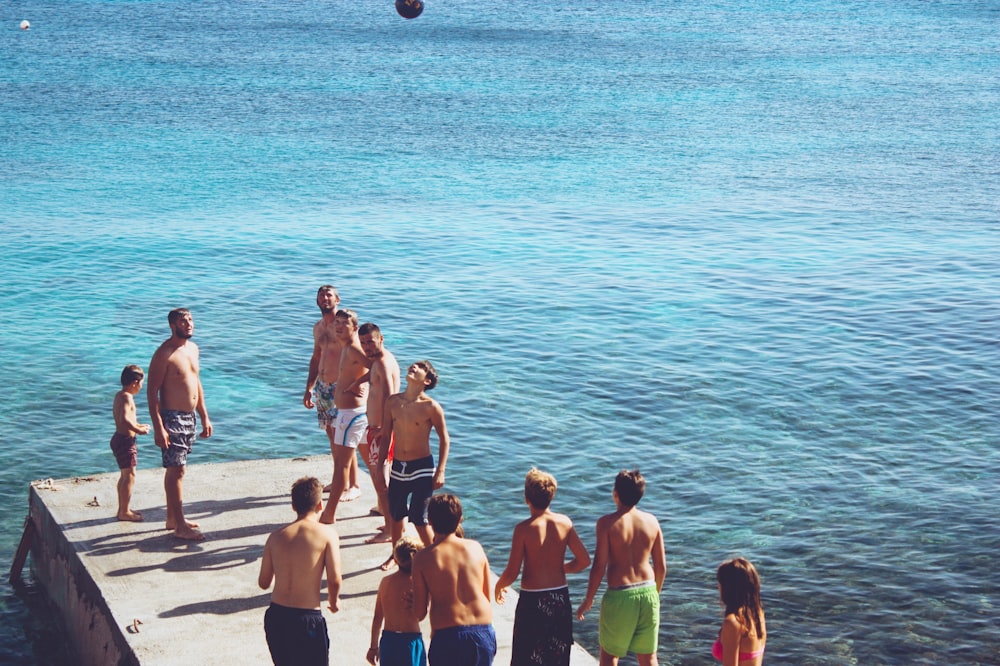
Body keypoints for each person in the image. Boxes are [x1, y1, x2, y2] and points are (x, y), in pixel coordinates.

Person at [494, 468, 591, 666]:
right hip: (559, 599)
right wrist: (560, 568)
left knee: (527, 655)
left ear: (526, 497)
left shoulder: (523, 529)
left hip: (533, 601)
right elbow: (583, 560)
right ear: (551, 496)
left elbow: (513, 572)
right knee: (556, 655)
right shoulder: (564, 523)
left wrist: (499, 585)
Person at [576, 469, 666, 666]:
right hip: (649, 590)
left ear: (615, 493)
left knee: (609, 656)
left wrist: (588, 599)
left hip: (621, 595)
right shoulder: (652, 521)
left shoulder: (606, 524)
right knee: (648, 657)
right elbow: (661, 566)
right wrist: (655, 594)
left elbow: (599, 566)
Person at [258, 476, 342, 666]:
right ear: (320, 505)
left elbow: (264, 583)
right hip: (307, 618)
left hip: (276, 616)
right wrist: (334, 601)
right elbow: (334, 579)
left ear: (293, 506)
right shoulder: (327, 534)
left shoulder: (275, 536)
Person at [147, 308, 212, 541]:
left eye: (190, 320)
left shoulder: (193, 349)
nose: (188, 324)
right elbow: (152, 392)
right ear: (172, 325)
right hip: (172, 418)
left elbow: (196, 382)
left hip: (189, 417)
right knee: (176, 470)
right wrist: (159, 427)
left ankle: (173, 518)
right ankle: (179, 525)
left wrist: (204, 415)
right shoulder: (164, 354)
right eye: (183, 321)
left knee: (178, 471)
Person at [412, 494, 496, 666]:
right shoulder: (476, 548)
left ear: (430, 522)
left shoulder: (422, 558)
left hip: (448, 636)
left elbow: (419, 613)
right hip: (483, 632)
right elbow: (487, 597)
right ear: (459, 520)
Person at [379, 361, 450, 556]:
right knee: (396, 515)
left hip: (422, 467)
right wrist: (379, 467)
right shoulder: (392, 402)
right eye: (413, 365)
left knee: (419, 517)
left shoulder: (431, 407)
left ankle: (433, 557)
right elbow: (386, 436)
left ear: (427, 380)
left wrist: (440, 471)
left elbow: (444, 439)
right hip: (398, 467)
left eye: (420, 367)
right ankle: (396, 556)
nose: (414, 367)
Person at [303, 285, 360, 502]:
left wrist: (357, 384)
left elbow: (359, 354)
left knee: (345, 438)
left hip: (341, 387)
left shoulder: (344, 326)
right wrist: (309, 387)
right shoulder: (318, 328)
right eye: (321, 295)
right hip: (323, 388)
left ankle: (354, 484)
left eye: (329, 295)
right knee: (332, 435)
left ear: (338, 299)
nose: (325, 299)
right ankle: (341, 480)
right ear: (317, 300)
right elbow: (316, 358)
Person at [320, 309, 370, 524]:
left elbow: (378, 366)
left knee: (342, 463)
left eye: (345, 324)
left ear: (355, 328)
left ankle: (329, 514)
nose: (339, 326)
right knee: (373, 465)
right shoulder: (346, 348)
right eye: (337, 323)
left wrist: (361, 385)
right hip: (347, 413)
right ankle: (388, 512)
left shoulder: (354, 349)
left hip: (352, 414)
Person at [358, 322, 401, 545]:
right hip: (376, 428)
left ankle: (390, 532)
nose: (366, 347)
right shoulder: (379, 360)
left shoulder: (383, 363)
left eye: (370, 342)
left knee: (381, 480)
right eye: (363, 342)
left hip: (382, 431)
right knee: (379, 476)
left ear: (381, 338)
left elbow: (392, 396)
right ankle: (389, 522)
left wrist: (385, 429)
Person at [367, 536, 427, 666]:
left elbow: (377, 617)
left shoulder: (386, 582)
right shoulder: (418, 584)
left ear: (396, 558)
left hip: (388, 641)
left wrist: (373, 647)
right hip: (410, 641)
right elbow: (423, 612)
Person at [110, 364, 151, 522]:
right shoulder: (127, 397)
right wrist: (138, 430)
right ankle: (124, 512)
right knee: (130, 476)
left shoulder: (119, 395)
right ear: (134, 382)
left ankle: (123, 508)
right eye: (141, 383)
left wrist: (139, 425)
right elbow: (126, 419)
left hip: (119, 438)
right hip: (125, 441)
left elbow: (124, 419)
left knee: (124, 476)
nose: (141, 387)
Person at [713, 558, 766, 666]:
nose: (718, 586)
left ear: (729, 588)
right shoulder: (757, 614)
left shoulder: (733, 623)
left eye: (720, 582)